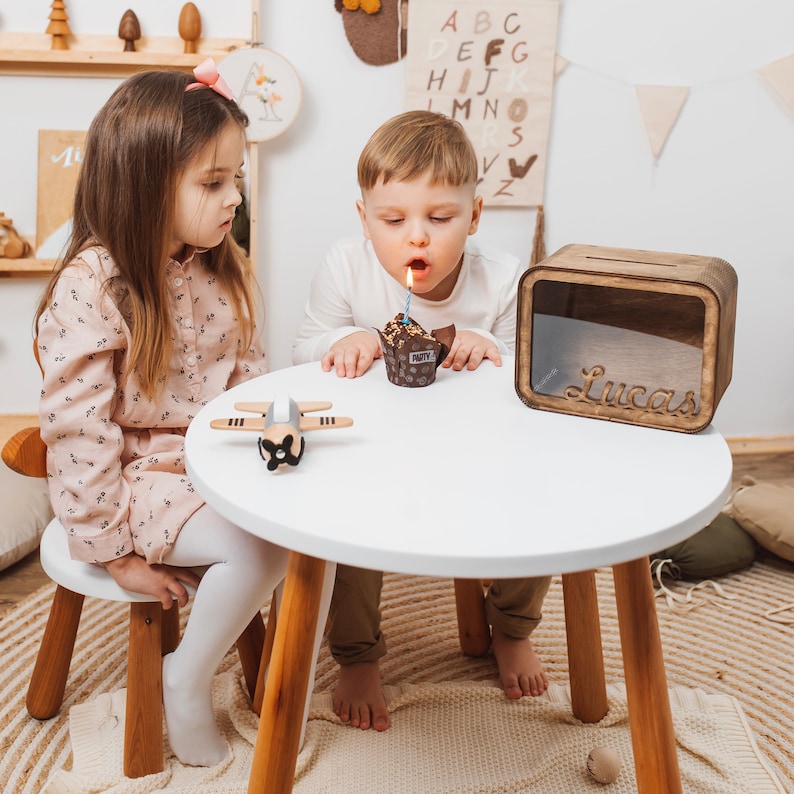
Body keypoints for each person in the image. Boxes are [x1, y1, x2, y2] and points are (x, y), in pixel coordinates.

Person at [35, 62, 290, 768]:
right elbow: (78, 434)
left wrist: (273, 435)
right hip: (137, 478)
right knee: (260, 548)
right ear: (145, 187)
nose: (232, 197)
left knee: (310, 529)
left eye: (235, 178)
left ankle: (286, 682)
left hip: (216, 462)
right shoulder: (93, 288)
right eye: (213, 183)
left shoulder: (218, 266)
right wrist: (113, 551)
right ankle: (184, 679)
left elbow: (246, 377)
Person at [293, 110, 552, 732]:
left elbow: (531, 374)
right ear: (363, 220)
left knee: (544, 504)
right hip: (372, 458)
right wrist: (346, 338)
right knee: (342, 526)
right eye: (393, 221)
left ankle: (511, 627)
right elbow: (302, 349)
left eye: (440, 219)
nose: (418, 239)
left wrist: (487, 349)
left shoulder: (502, 279)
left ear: (475, 216)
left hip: (475, 456)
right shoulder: (345, 266)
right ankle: (358, 655)